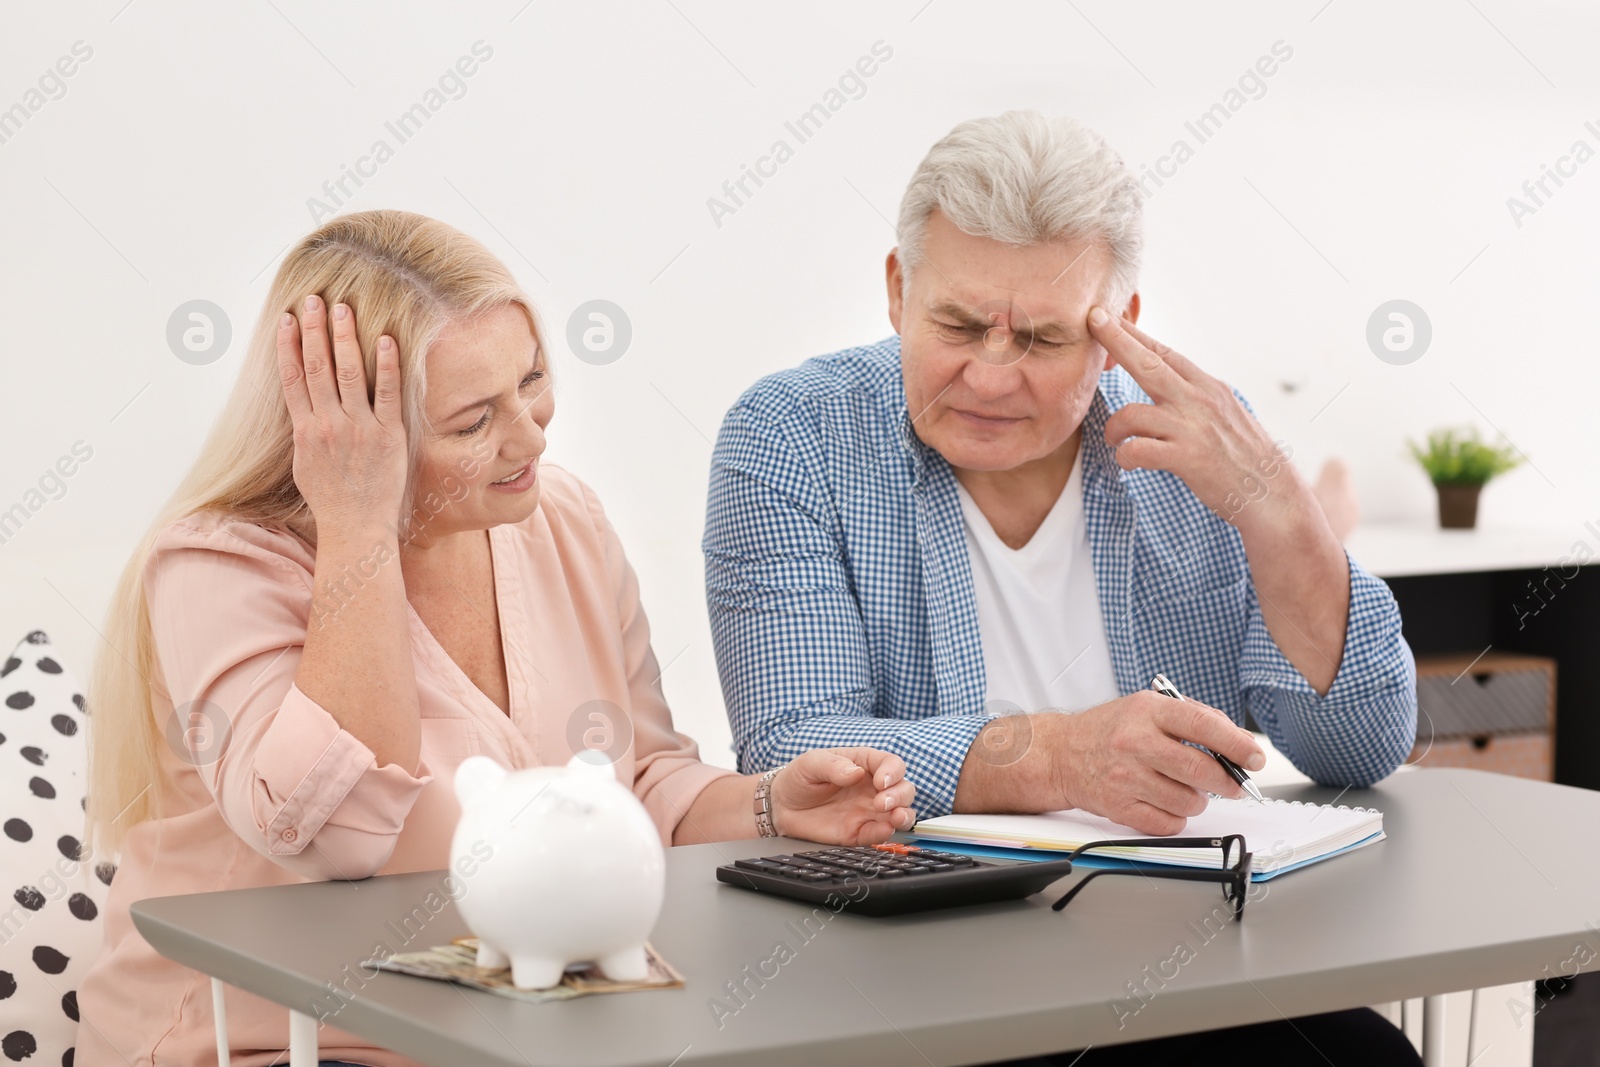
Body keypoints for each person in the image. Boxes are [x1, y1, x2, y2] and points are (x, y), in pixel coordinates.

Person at [76, 210, 916, 1067]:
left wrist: (770, 805)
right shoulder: (217, 565)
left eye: (534, 379)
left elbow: (643, 783)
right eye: (474, 420)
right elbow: (336, 835)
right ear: (354, 434)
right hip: (266, 1043)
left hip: (503, 1038)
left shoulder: (564, 521)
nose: (532, 434)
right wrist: (358, 519)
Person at [703, 111, 1420, 1063]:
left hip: (1179, 964)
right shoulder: (790, 438)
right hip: (909, 981)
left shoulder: (1203, 447)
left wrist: (1285, 513)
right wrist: (1059, 757)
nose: (991, 377)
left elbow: (1362, 747)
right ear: (896, 289)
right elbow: (797, 744)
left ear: (1121, 326)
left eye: (1041, 338)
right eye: (957, 324)